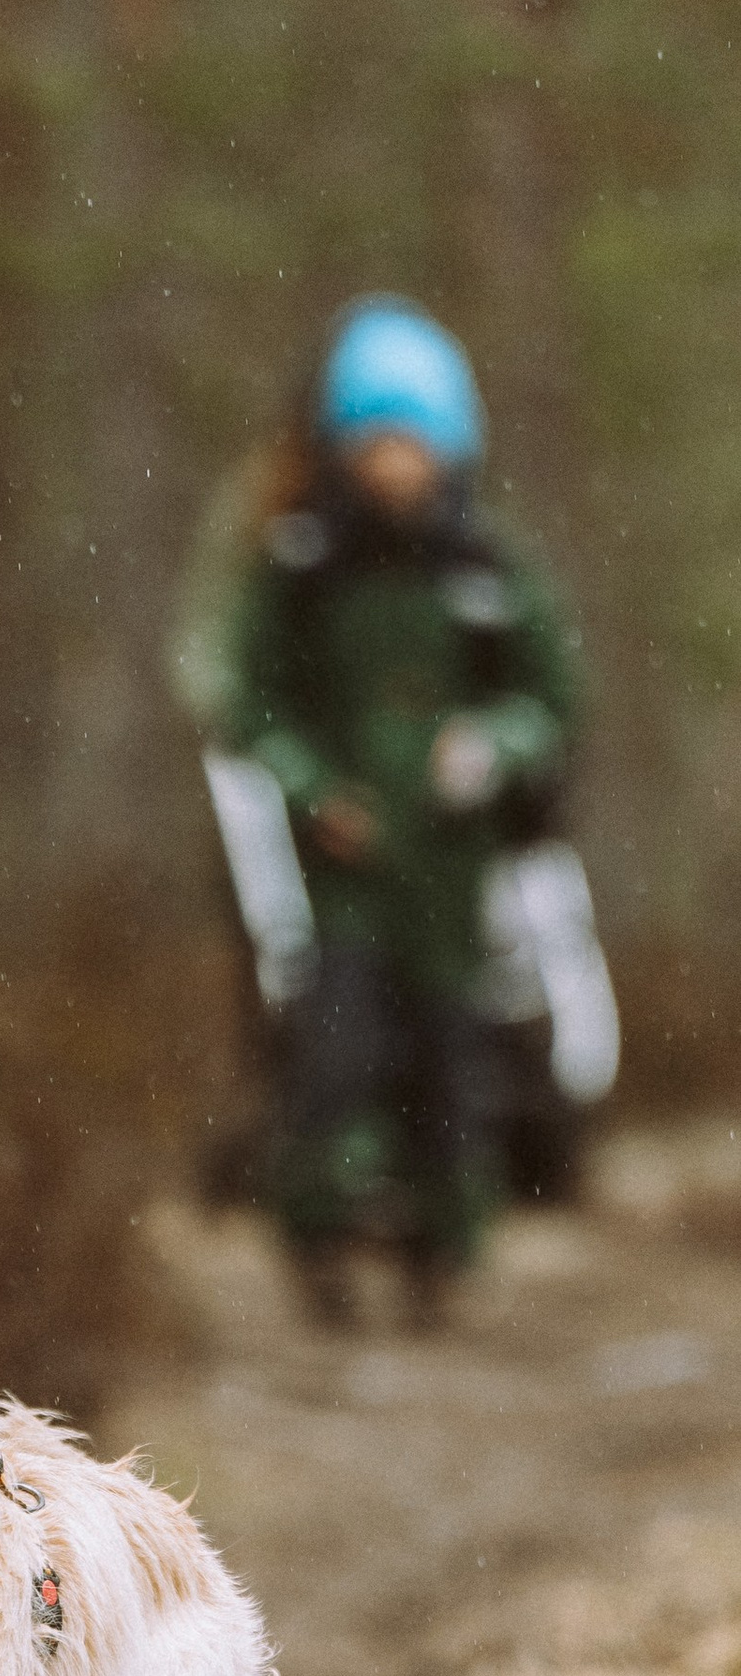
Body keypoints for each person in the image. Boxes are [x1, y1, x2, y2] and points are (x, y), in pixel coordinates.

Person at [203, 298, 579, 1327]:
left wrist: (491, 749)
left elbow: (550, 701)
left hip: (454, 872)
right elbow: (245, 697)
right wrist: (315, 789)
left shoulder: (487, 572)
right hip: (342, 873)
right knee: (337, 1048)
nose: (397, 464)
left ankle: (445, 1249)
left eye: (416, 441)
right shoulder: (302, 566)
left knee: (453, 1052)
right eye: (377, 440)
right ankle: (317, 1238)